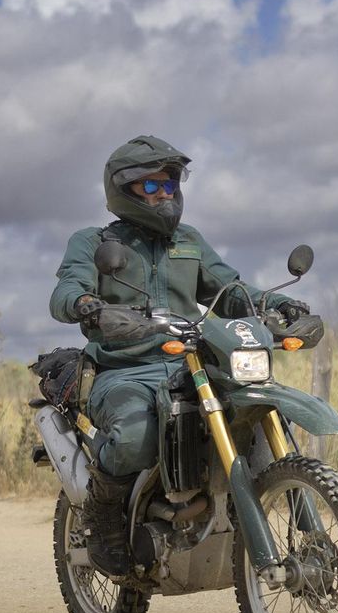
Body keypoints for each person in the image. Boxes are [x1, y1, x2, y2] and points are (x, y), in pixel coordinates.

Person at [49, 135, 312, 577]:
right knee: (135, 435)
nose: (164, 194)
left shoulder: (188, 241)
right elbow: (66, 291)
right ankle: (103, 516)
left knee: (259, 407)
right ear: (124, 189)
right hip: (126, 369)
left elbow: (231, 290)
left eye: (169, 184)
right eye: (151, 187)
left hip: (192, 362)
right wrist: (86, 306)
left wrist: (276, 305)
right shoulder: (94, 242)